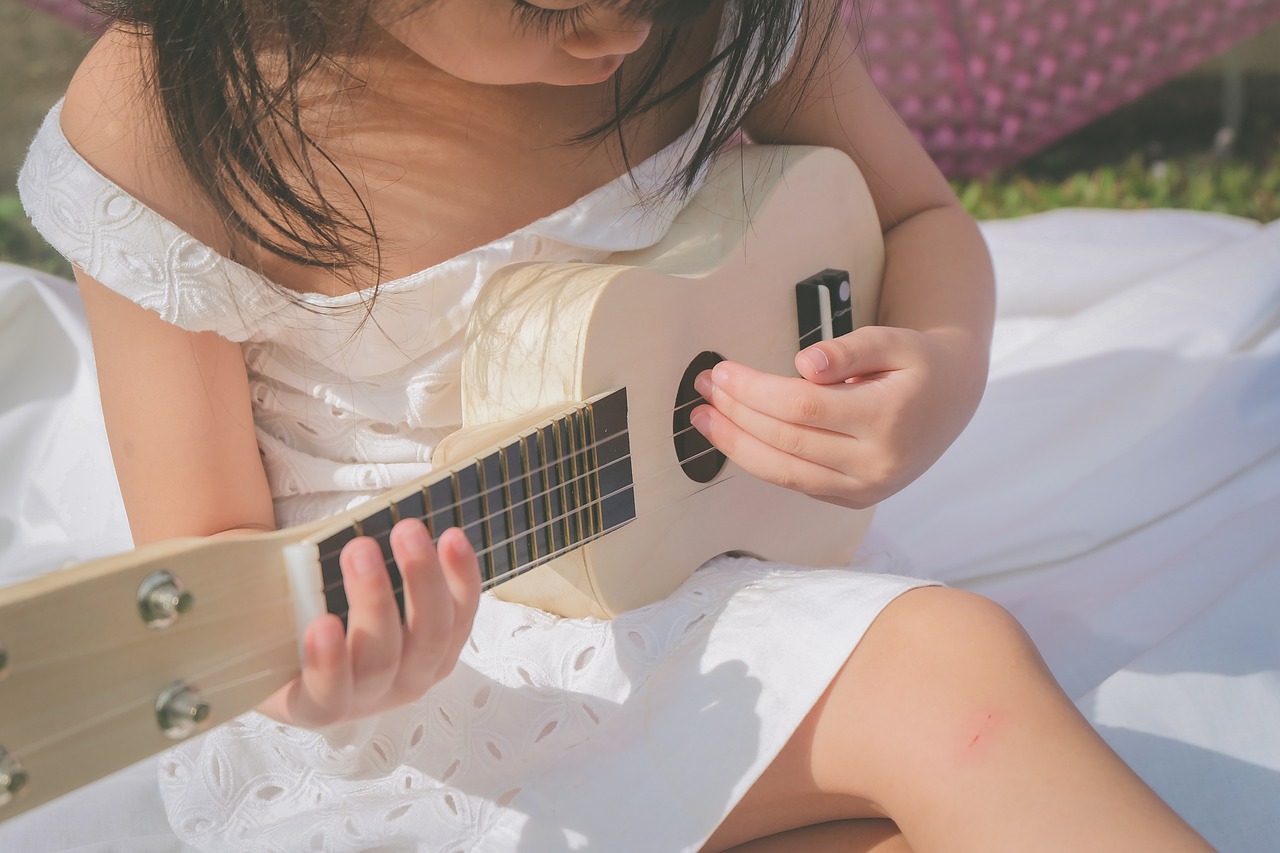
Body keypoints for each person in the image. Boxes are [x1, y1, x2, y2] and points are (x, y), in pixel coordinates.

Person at [18, 0, 1213, 849]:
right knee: (950, 679)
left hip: (716, 562)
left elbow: (915, 217)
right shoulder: (166, 117)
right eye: (549, 6)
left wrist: (940, 369)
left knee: (944, 723)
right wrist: (317, 680)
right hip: (426, 685)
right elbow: (213, 577)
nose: (622, 33)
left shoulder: (729, 15)